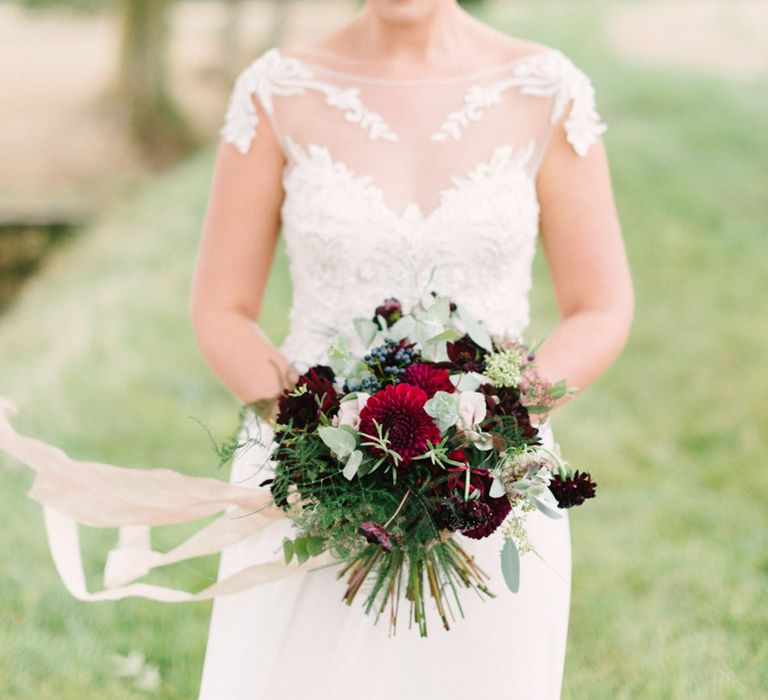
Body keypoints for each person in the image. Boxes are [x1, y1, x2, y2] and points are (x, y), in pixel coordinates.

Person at [190, 0, 633, 698]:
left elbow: (601, 306)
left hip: (488, 490)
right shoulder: (275, 91)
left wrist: (490, 433)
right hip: (306, 479)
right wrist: (321, 445)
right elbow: (220, 308)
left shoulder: (548, 89)